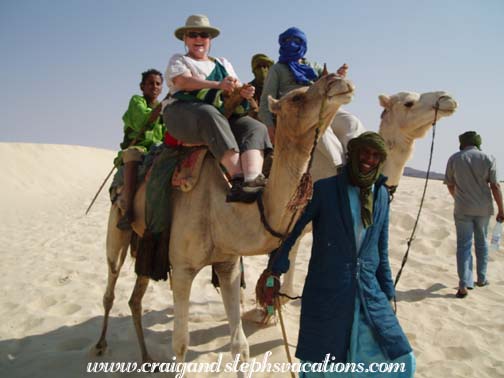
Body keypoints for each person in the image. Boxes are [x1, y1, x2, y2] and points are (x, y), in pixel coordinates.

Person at [270, 132, 415, 377]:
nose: (368, 159)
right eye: (364, 153)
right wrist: (275, 268)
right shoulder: (325, 189)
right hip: (328, 288)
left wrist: (388, 293)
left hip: (369, 291)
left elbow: (381, 247)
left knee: (400, 357)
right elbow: (293, 231)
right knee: (325, 358)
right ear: (353, 155)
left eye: (375, 155)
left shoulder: (381, 196)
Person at [163, 14, 272, 203]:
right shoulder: (179, 60)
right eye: (193, 34)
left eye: (203, 34)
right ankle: (237, 177)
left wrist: (243, 92)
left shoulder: (223, 63)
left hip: (221, 116)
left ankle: (252, 179)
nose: (198, 39)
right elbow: (184, 82)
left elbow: (234, 88)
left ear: (210, 39)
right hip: (184, 114)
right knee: (208, 113)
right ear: (185, 39)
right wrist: (217, 85)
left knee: (256, 127)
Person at [258, 27, 360, 172]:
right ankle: (341, 168)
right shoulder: (278, 69)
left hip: (322, 103)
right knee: (320, 131)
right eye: (287, 40)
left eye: (297, 41)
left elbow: (326, 83)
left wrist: (338, 75)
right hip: (297, 110)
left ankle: (356, 158)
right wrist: (270, 127)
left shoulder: (313, 67)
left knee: (351, 122)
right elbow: (265, 101)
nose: (292, 44)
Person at [444, 131, 504, 298]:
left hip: (462, 208)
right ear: (477, 143)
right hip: (483, 208)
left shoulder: (454, 158)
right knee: (482, 242)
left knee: (463, 245)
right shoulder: (488, 158)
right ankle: (482, 279)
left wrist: (459, 198)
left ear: (462, 143)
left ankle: (464, 284)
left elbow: (450, 184)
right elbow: (495, 186)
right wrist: (501, 208)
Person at [116, 69, 165, 230]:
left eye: (158, 84)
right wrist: (166, 105)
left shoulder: (164, 108)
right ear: (142, 86)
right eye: (150, 83)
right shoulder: (137, 101)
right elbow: (143, 121)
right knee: (133, 155)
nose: (154, 87)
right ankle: (128, 211)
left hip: (159, 148)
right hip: (139, 147)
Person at [248, 53, 274, 118]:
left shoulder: (276, 87)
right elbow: (254, 111)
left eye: (264, 66)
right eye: (258, 67)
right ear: (254, 71)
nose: (262, 69)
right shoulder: (249, 89)